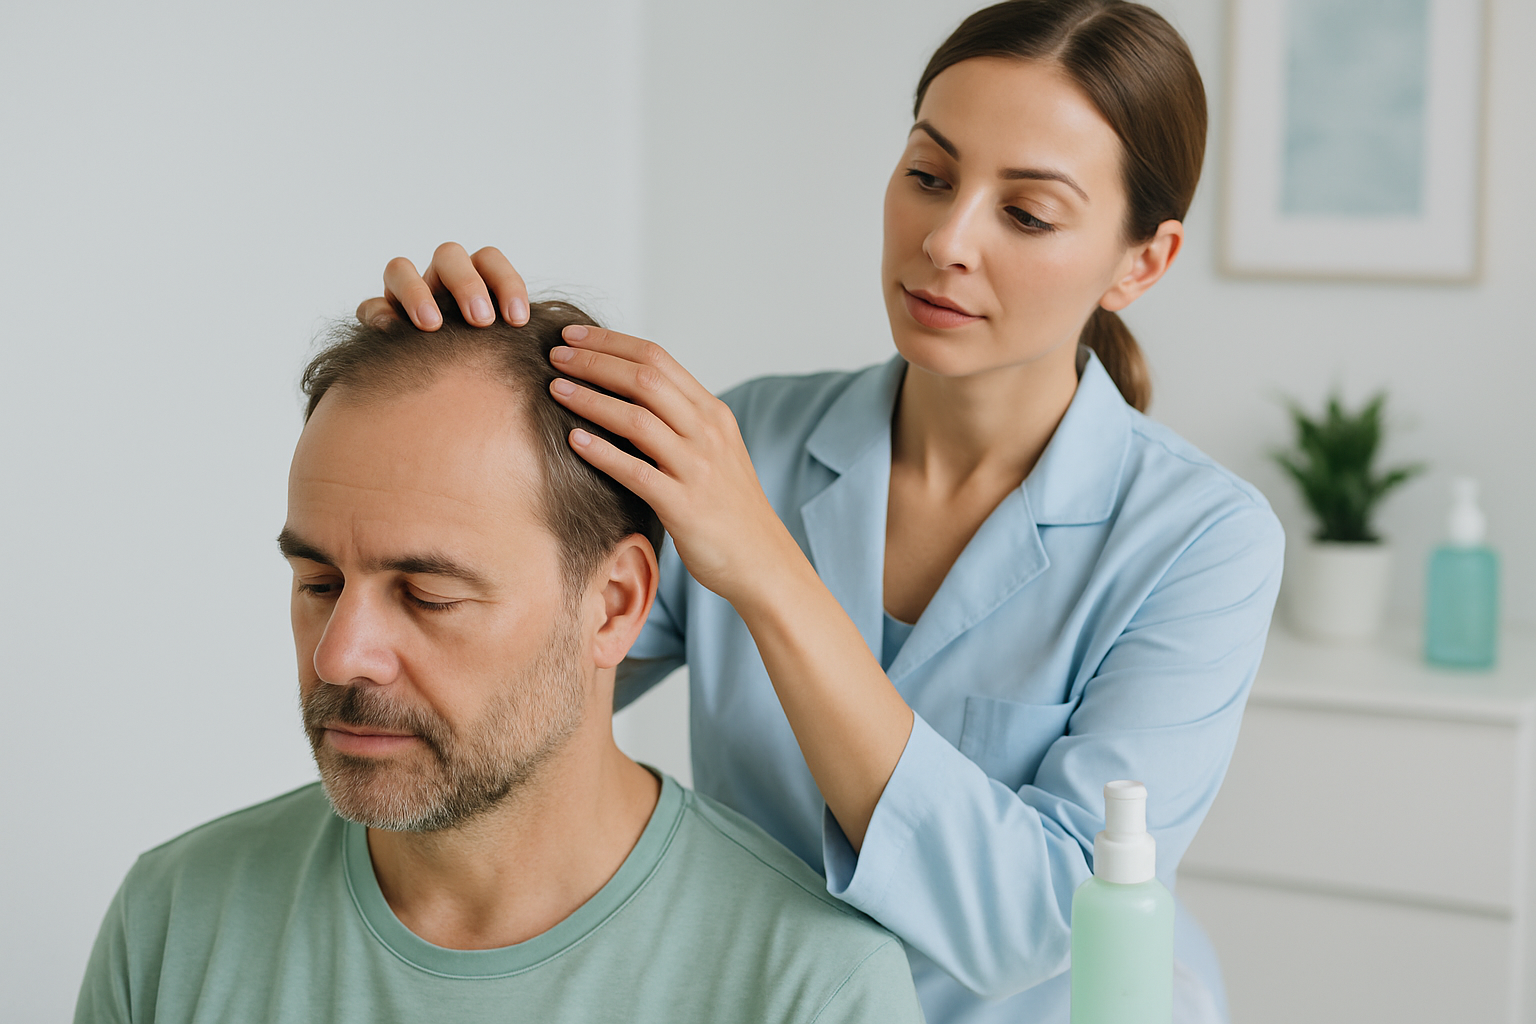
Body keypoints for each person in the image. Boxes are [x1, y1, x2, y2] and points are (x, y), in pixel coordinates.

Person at [359, 2, 1286, 1021]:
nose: (946, 240)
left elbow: (1035, 924)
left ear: (1141, 262)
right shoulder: (747, 437)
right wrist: (451, 393)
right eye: (929, 175)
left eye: (1026, 214)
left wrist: (765, 565)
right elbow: (516, 692)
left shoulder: (1204, 541)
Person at [72, 302, 925, 1024]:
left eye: (428, 595)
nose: (341, 655)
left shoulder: (815, 989)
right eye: (318, 583)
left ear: (614, 604)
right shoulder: (172, 922)